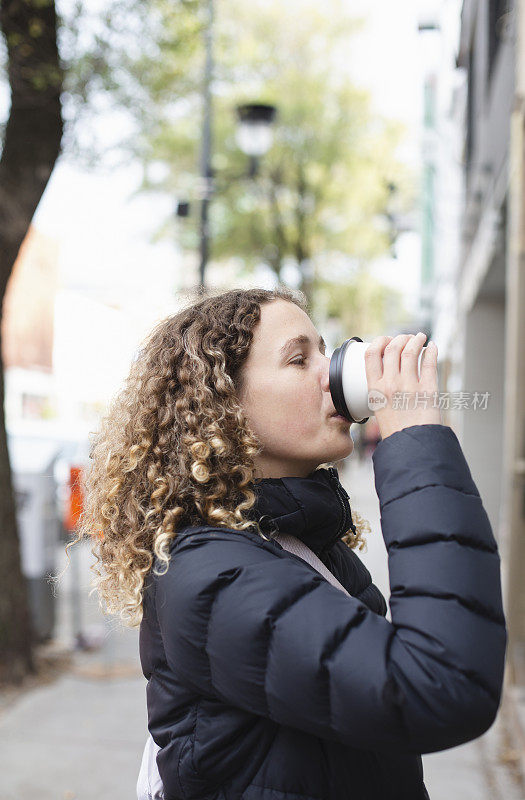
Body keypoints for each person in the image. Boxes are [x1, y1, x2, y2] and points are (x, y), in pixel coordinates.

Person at [76, 286, 507, 800]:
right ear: (225, 407)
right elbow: (439, 685)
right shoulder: (212, 577)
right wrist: (416, 445)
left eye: (324, 351)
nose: (330, 371)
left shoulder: (293, 540)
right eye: (299, 359)